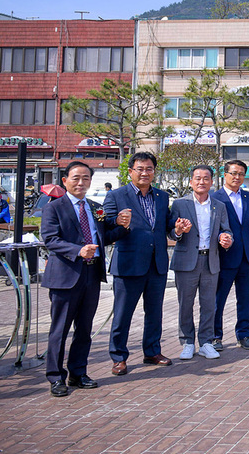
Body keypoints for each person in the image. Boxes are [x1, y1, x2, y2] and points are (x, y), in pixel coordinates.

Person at [41, 161, 126, 397]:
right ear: (65, 180)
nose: (81, 182)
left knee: (84, 328)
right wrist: (77, 250)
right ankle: (56, 377)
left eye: (86, 178)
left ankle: (78, 372)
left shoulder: (96, 208)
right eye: (76, 178)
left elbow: (104, 236)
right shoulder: (54, 207)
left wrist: (121, 226)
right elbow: (50, 239)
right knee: (60, 329)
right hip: (65, 276)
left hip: (91, 274)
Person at [104, 151, 176, 375]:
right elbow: (105, 226)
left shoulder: (162, 197)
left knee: (154, 312)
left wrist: (178, 230)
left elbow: (167, 227)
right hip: (129, 263)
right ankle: (119, 356)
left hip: (157, 264)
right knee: (123, 313)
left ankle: (152, 351)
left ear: (154, 172)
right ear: (130, 171)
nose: (145, 173)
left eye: (149, 169)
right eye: (140, 169)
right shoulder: (116, 195)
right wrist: (116, 221)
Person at [169, 165, 233, 361]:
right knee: (185, 304)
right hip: (187, 260)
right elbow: (171, 232)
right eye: (197, 178)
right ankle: (187, 341)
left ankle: (206, 342)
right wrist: (179, 231)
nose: (201, 182)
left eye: (206, 178)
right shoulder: (179, 204)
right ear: (191, 181)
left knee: (208, 304)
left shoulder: (219, 206)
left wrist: (226, 238)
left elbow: (227, 230)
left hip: (210, 260)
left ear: (212, 182)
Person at [211, 160, 249, 351]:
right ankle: (215, 336)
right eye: (234, 173)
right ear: (225, 174)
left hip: (248, 255)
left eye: (241, 174)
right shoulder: (214, 197)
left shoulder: (248, 196)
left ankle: (244, 334)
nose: (237, 177)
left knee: (246, 298)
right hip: (224, 256)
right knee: (218, 299)